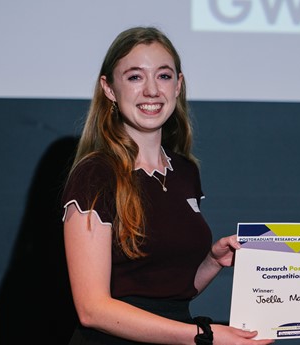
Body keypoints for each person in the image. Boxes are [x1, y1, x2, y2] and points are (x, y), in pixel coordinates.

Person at [61, 26, 274, 345]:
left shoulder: (185, 171)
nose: (151, 91)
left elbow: (170, 296)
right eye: (134, 77)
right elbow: (93, 310)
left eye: (163, 76)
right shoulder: (95, 174)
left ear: (178, 85)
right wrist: (205, 336)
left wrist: (213, 261)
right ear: (108, 88)